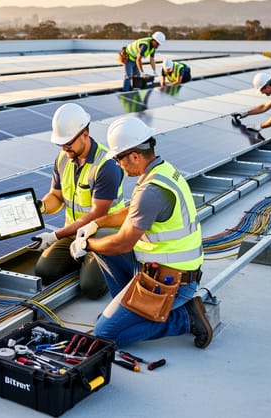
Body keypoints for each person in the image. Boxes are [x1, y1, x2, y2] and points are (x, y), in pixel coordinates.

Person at [67, 116, 212, 348]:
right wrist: (97, 224)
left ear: (134, 156)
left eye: (118, 159)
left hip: (172, 283)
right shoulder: (160, 171)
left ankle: (184, 319)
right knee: (104, 239)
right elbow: (132, 211)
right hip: (162, 268)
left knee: (104, 335)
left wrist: (88, 245)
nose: (118, 165)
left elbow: (124, 244)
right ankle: (127, 307)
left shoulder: (151, 191)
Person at [30, 103, 128, 299]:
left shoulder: (106, 165)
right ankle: (83, 261)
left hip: (102, 233)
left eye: (68, 143)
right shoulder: (63, 158)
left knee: (91, 289)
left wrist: (55, 236)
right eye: (61, 144)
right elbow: (56, 196)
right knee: (44, 272)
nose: (64, 148)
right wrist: (40, 207)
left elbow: (97, 214)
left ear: (85, 133)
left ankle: (116, 261)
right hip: (74, 232)